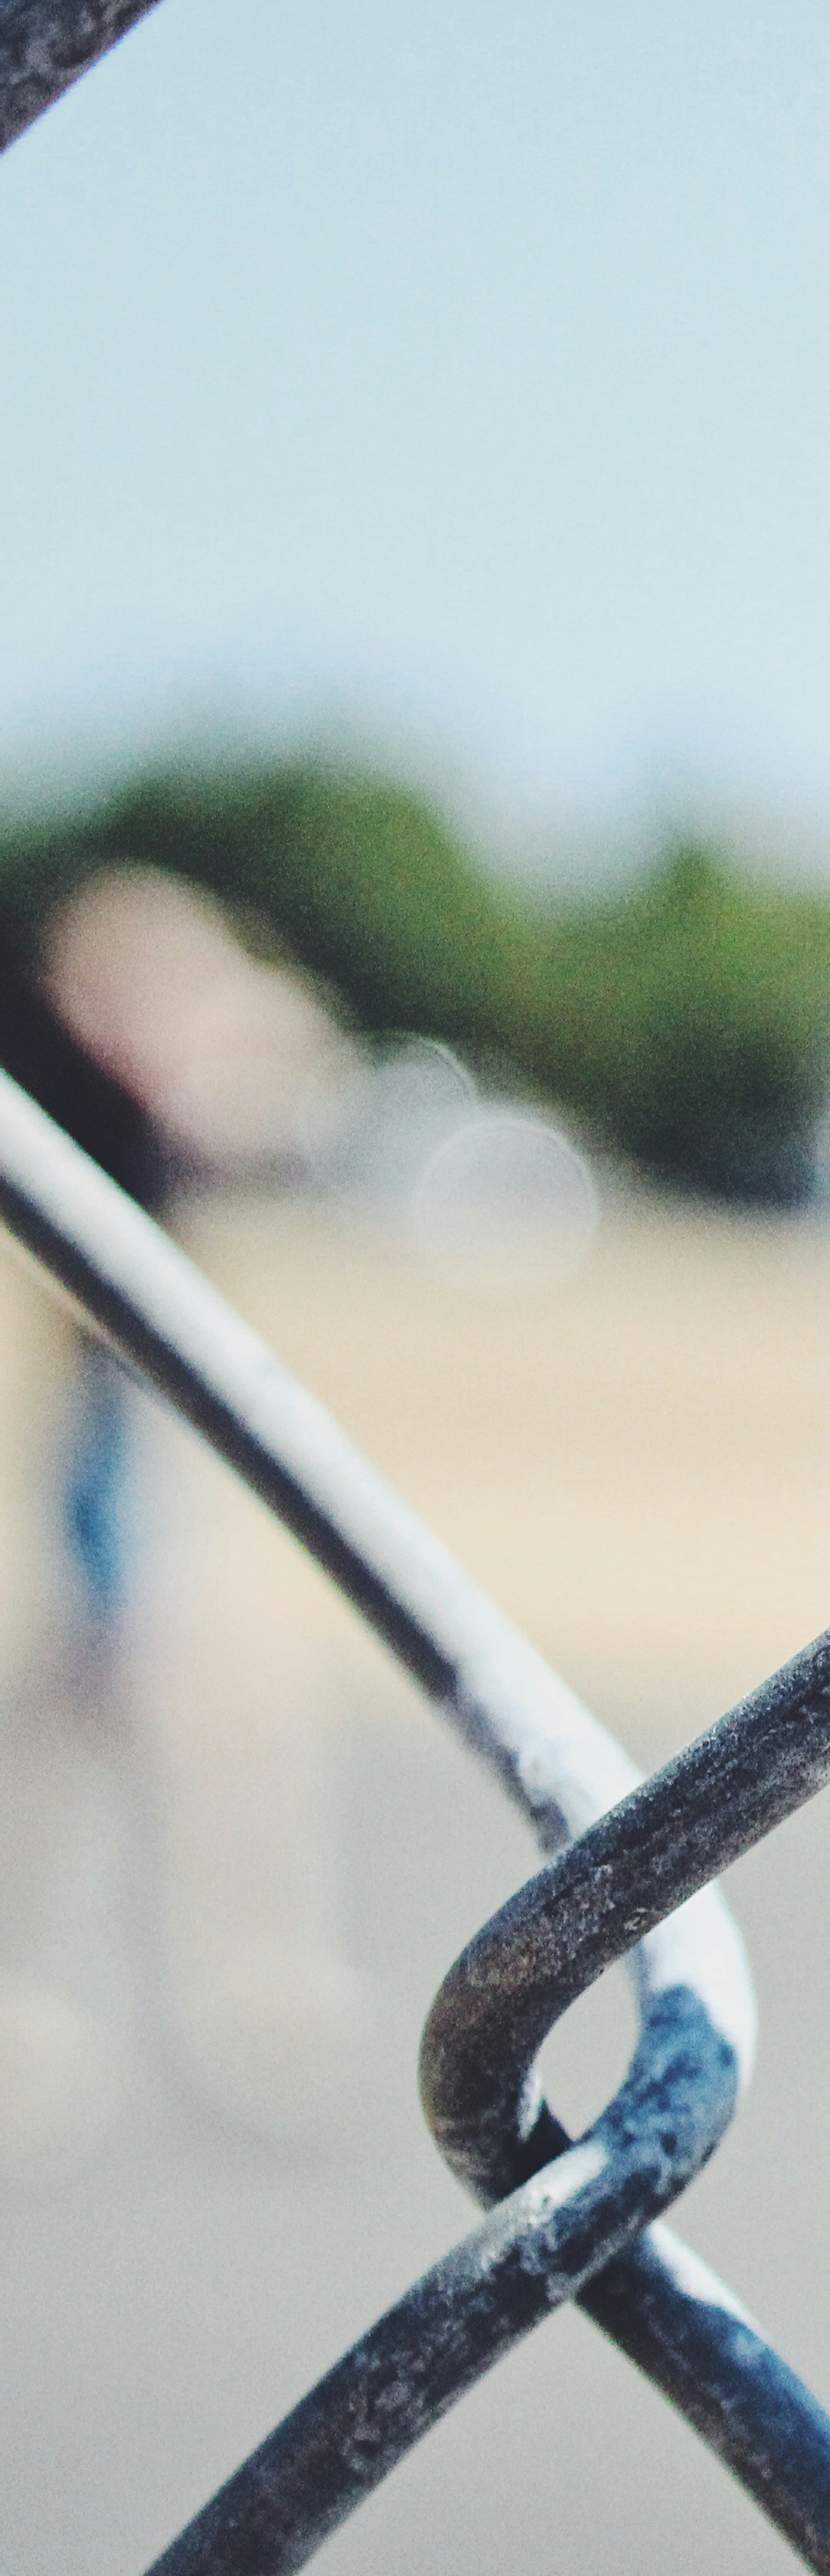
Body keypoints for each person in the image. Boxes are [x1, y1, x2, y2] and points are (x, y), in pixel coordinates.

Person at [0, 865, 364, 2178]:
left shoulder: (169, 1089)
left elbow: (292, 1067)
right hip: (119, 1428)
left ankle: (232, 1978)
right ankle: (231, 1986)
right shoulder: (72, 1098)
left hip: (161, 1428)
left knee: (132, 1708)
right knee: (157, 1701)